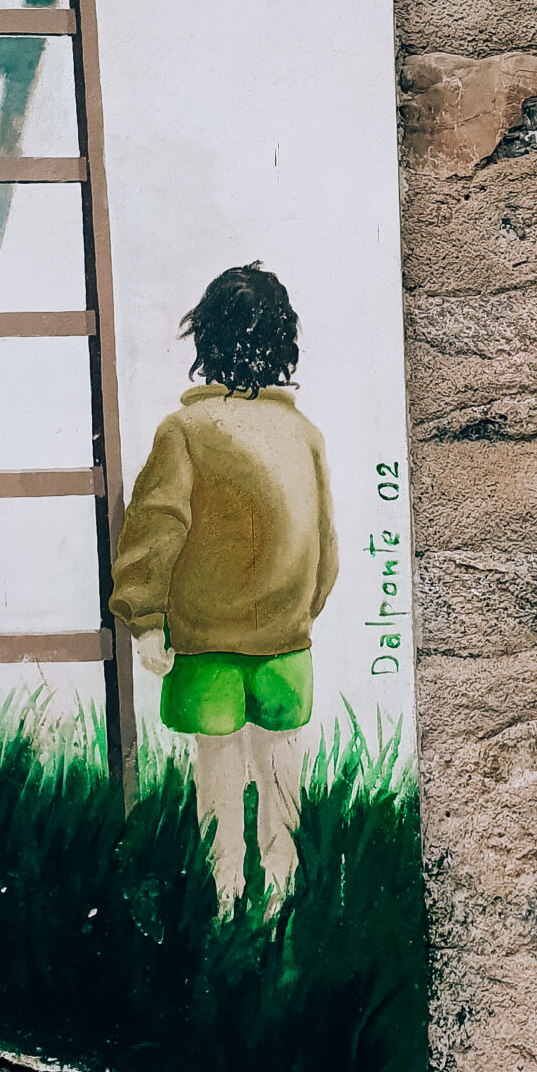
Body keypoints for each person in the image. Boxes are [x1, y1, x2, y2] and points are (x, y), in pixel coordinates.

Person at [110, 265, 339, 911]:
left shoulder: (183, 432)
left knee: (217, 774)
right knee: (279, 772)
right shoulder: (305, 435)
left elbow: (155, 527)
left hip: (205, 640)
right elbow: (325, 543)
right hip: (287, 642)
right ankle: (282, 896)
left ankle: (226, 898)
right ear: (283, 344)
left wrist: (147, 618)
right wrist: (302, 608)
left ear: (205, 340)